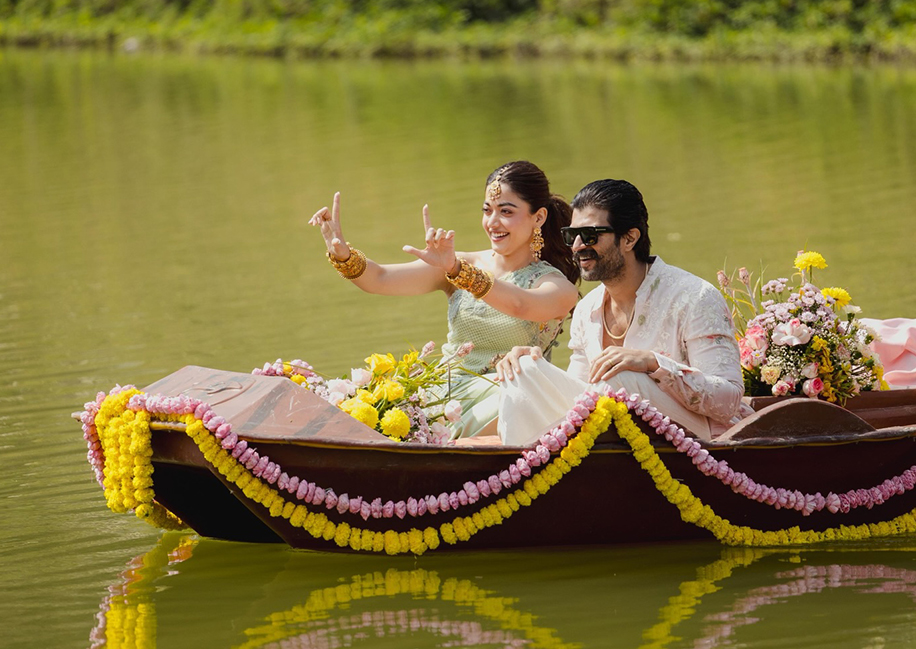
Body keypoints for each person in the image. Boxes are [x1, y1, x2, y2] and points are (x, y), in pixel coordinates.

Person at [309, 161, 580, 438]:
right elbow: (379, 279)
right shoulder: (456, 263)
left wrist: (458, 271)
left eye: (506, 211)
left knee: (519, 398)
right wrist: (342, 254)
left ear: (539, 217)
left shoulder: (556, 286)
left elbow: (519, 305)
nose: (492, 222)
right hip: (442, 394)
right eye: (487, 210)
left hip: (506, 399)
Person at [495, 178, 744, 444]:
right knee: (521, 368)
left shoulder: (694, 297)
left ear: (629, 238)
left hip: (698, 442)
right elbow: (579, 396)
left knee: (623, 376)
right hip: (607, 441)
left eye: (589, 235)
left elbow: (728, 401)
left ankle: (541, 456)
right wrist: (538, 367)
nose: (577, 246)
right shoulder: (587, 309)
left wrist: (653, 364)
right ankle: (520, 464)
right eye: (571, 235)